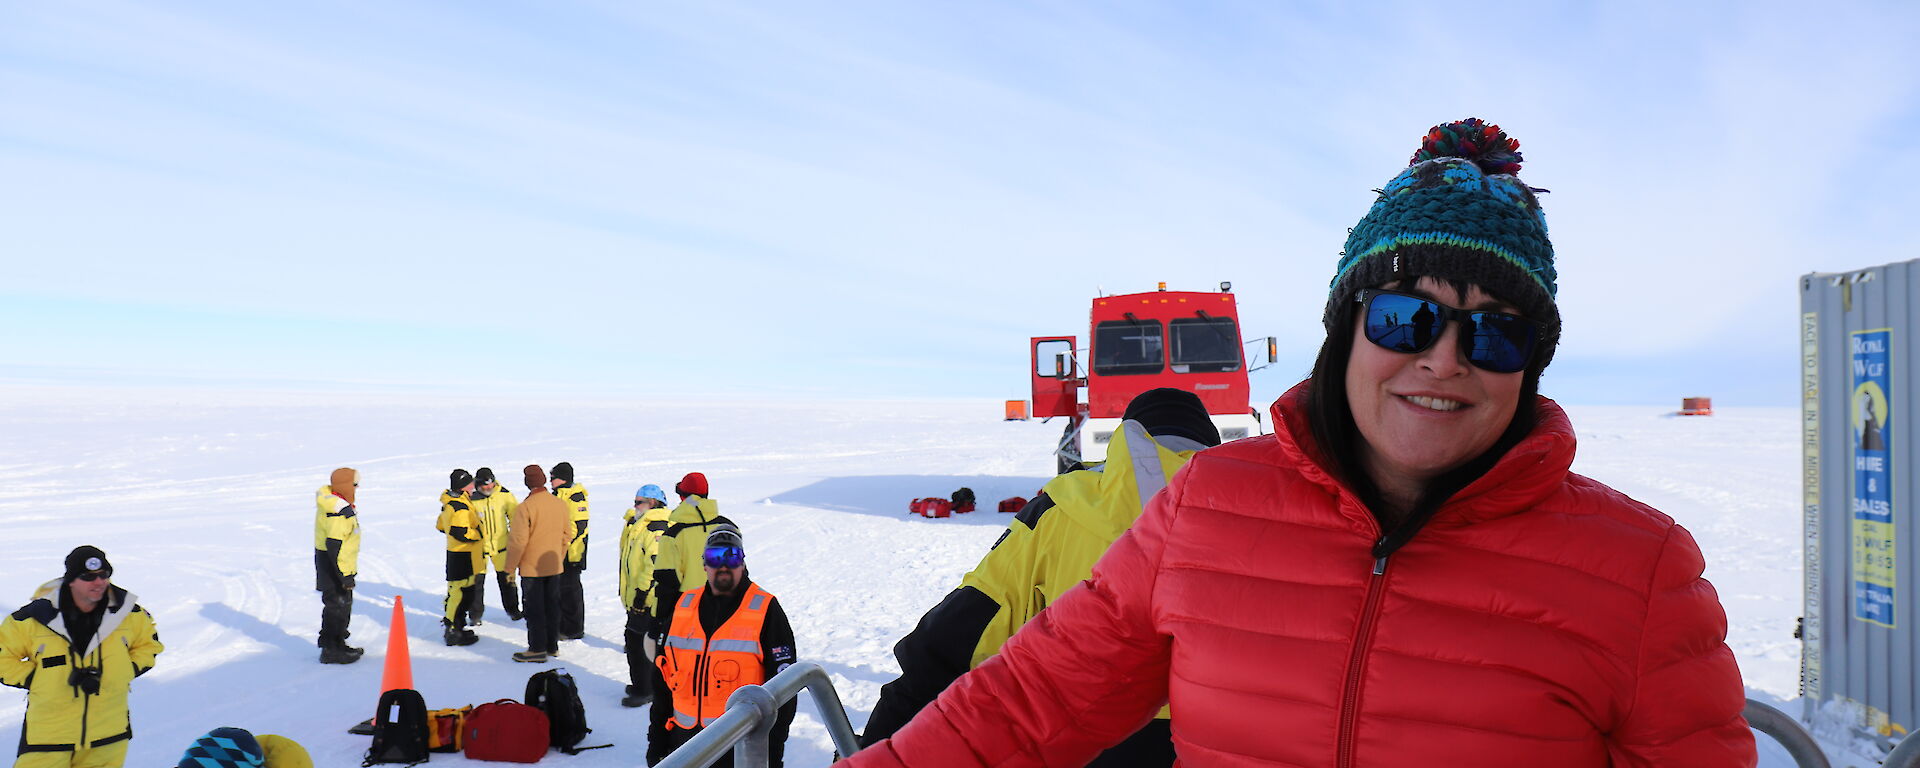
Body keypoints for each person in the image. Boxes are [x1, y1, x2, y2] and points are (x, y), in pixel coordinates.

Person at [843, 119, 1757, 766]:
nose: (1443, 360)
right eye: (1407, 317)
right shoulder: (1207, 508)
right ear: (1347, 330)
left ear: (1532, 364)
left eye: (1495, 331)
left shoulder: (1642, 575)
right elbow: (1028, 705)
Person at [860, 388, 1222, 766]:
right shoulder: (1260, 512)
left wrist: (877, 745)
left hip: (1086, 737)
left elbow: (957, 635)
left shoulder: (1061, 507)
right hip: (1232, 741)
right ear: (1209, 444)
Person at [1, 546, 164, 768]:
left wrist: (123, 669)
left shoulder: (130, 614)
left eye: (103, 575)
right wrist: (37, 678)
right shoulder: (31, 619)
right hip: (48, 737)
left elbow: (148, 645)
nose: (98, 582)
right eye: (88, 577)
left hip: (109, 735)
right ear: (71, 580)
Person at [646, 527, 796, 767]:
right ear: (704, 564)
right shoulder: (683, 605)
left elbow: (784, 691)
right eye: (715, 557)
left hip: (740, 745)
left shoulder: (766, 608)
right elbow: (662, 681)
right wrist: (656, 742)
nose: (723, 565)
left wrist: (770, 753)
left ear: (743, 563)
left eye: (732, 557)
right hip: (683, 742)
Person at [649, 472, 733, 641]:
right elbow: (739, 571)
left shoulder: (673, 535)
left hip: (688, 614)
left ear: (681, 497)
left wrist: (658, 622)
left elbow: (667, 582)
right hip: (728, 609)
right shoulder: (728, 528)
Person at [504, 464, 573, 663]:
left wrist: (509, 568)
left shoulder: (525, 508)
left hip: (531, 568)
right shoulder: (559, 504)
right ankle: (552, 646)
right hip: (553, 565)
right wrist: (558, 557)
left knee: (534, 610)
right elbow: (567, 535)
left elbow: (518, 542)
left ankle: (536, 649)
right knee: (552, 606)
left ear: (528, 483)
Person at [620, 484, 673, 708]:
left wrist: (641, 594)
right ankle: (643, 684)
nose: (635, 506)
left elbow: (653, 565)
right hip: (635, 596)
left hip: (647, 599)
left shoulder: (655, 529)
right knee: (637, 641)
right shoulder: (639, 524)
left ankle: (645, 689)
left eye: (639, 502)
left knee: (637, 642)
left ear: (652, 503)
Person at [312, 467, 362, 664]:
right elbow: (335, 545)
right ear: (346, 486)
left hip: (337, 565)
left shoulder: (336, 505)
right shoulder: (337, 512)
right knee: (336, 606)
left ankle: (337, 642)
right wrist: (344, 576)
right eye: (355, 485)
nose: (357, 489)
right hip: (335, 566)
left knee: (342, 605)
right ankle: (331, 649)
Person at [434, 468, 482, 646]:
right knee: (461, 593)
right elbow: (460, 532)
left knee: (458, 591)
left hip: (456, 553)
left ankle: (457, 626)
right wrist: (477, 534)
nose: (473, 486)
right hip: (462, 554)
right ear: (463, 486)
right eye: (470, 483)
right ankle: (453, 630)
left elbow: (440, 526)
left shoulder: (450, 502)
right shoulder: (459, 507)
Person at [470, 467, 523, 622]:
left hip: (502, 547)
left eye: (491, 484)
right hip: (479, 549)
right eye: (485, 486)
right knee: (476, 583)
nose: (488, 488)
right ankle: (475, 615)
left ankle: (513, 610)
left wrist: (517, 538)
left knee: (508, 580)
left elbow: (516, 517)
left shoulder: (504, 495)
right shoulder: (471, 498)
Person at [549, 461, 590, 640]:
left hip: (572, 553)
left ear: (563, 479)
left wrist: (561, 542)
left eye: (553, 478)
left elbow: (578, 526)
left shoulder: (575, 497)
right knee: (559, 590)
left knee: (570, 590)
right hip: (559, 551)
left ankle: (574, 629)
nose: (550, 481)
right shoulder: (558, 494)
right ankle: (562, 625)